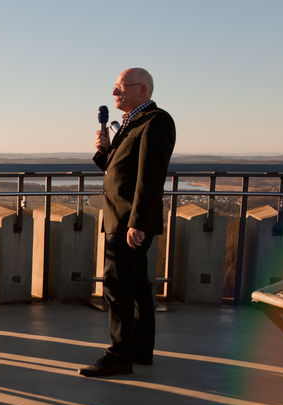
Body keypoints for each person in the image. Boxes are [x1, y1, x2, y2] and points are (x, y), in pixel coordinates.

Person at [80, 67, 176, 377]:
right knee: (136, 287)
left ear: (143, 90)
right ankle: (140, 351)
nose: (114, 93)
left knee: (116, 286)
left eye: (121, 87)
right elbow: (115, 169)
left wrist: (138, 223)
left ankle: (118, 355)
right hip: (121, 218)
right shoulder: (130, 122)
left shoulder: (156, 121)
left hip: (128, 222)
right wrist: (104, 150)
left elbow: (150, 177)